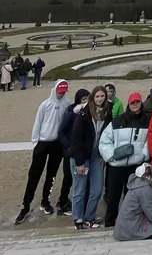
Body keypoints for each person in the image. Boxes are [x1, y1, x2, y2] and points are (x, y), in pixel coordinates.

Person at [15, 79, 71, 224]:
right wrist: (36, 141)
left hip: (56, 144)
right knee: (34, 174)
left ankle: (45, 200)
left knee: (51, 175)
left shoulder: (67, 104)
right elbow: (38, 122)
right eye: (60, 91)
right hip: (43, 142)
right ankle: (26, 205)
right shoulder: (45, 104)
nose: (61, 94)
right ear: (54, 90)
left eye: (64, 91)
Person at [99, 92, 150, 228]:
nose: (135, 105)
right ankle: (110, 222)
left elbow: (148, 142)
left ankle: (128, 223)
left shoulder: (146, 121)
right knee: (113, 196)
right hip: (116, 166)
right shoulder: (117, 121)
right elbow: (104, 141)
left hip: (134, 166)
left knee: (131, 197)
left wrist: (143, 156)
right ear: (129, 104)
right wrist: (111, 157)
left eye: (137, 102)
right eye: (133, 103)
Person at [70, 85, 111, 229]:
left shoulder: (106, 112)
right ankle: (78, 218)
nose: (100, 99)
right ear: (93, 98)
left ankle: (89, 217)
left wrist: (103, 154)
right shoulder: (83, 114)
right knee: (80, 189)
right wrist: (80, 163)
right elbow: (76, 140)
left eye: (102, 96)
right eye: (97, 96)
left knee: (97, 188)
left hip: (96, 155)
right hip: (81, 156)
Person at [55, 88, 89, 216]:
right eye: (83, 99)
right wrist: (69, 148)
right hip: (70, 151)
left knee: (80, 179)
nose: (85, 101)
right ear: (78, 99)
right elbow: (61, 132)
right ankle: (62, 202)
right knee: (68, 177)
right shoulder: (71, 112)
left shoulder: (88, 112)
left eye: (87, 98)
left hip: (82, 151)